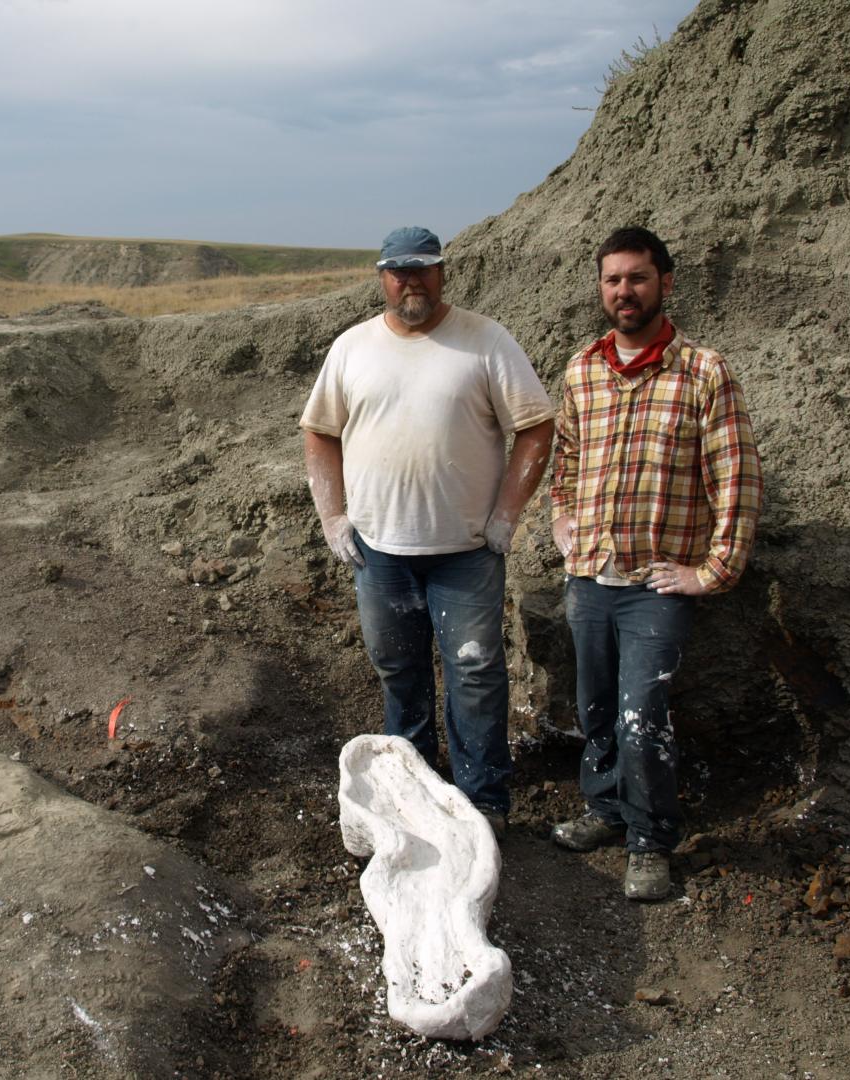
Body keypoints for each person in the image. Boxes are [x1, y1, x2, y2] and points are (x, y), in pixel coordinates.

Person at [300, 225, 556, 837]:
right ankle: (412, 789)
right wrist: (333, 518)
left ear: (443, 273)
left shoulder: (485, 341)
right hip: (380, 552)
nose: (410, 281)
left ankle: (482, 802)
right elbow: (319, 432)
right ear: (381, 276)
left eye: (423, 270)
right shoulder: (353, 348)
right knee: (399, 669)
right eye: (398, 271)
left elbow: (536, 428)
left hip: (467, 551)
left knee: (473, 673)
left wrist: (506, 516)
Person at [548, 226, 762, 900]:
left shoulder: (704, 371)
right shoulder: (583, 367)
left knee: (643, 717)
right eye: (613, 280)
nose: (624, 291)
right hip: (590, 577)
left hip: (654, 585)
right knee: (597, 710)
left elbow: (738, 478)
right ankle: (606, 811)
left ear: (665, 283)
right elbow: (567, 459)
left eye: (637, 278)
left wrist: (713, 570)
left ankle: (649, 842)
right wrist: (561, 519)